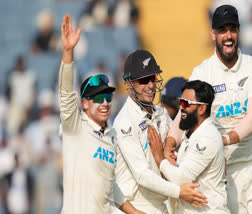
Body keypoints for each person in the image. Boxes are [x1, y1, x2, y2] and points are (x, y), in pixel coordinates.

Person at [164, 5, 252, 214]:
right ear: (212, 34)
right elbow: (184, 114)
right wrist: (170, 142)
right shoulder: (202, 72)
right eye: (222, 30)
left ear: (239, 31)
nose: (228, 36)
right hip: (222, 175)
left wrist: (224, 139)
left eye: (232, 29)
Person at [59, 14, 144, 214]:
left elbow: (110, 185)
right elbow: (65, 94)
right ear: (85, 104)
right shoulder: (75, 127)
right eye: (98, 99)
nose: (105, 102)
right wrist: (68, 52)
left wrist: (134, 212)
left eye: (107, 97)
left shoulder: (112, 135)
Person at [113, 50, 208, 213]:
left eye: (153, 78)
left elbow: (180, 144)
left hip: (159, 204)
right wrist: (179, 192)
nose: (150, 85)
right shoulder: (124, 122)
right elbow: (141, 175)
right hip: (134, 206)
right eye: (143, 80)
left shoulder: (161, 114)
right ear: (129, 84)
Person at [148, 80, 230, 213]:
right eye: (180, 102)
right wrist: (170, 163)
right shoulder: (190, 133)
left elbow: (180, 178)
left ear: (202, 108)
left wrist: (160, 158)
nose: (181, 108)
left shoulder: (208, 137)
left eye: (186, 103)